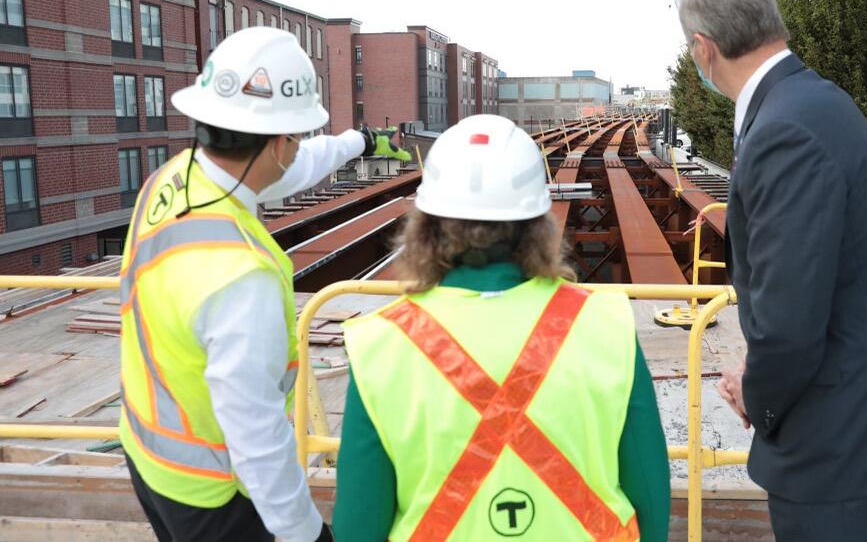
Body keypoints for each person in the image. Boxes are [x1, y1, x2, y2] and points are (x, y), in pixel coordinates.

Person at [674, 0, 867, 541]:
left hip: (842, 444)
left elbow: (791, 318)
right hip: (865, 427)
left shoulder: (784, 129)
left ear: (704, 48)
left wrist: (754, 391)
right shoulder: (814, 101)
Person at [118, 27, 410, 542]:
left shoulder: (174, 179)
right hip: (210, 495)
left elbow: (288, 171)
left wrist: (356, 142)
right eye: (295, 137)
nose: (298, 149)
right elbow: (257, 435)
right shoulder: (239, 277)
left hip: (148, 452)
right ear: (278, 142)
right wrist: (304, 532)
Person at [334, 114, 671, 541]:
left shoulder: (380, 347)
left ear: (426, 228)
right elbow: (650, 490)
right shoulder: (606, 325)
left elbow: (358, 524)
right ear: (538, 225)